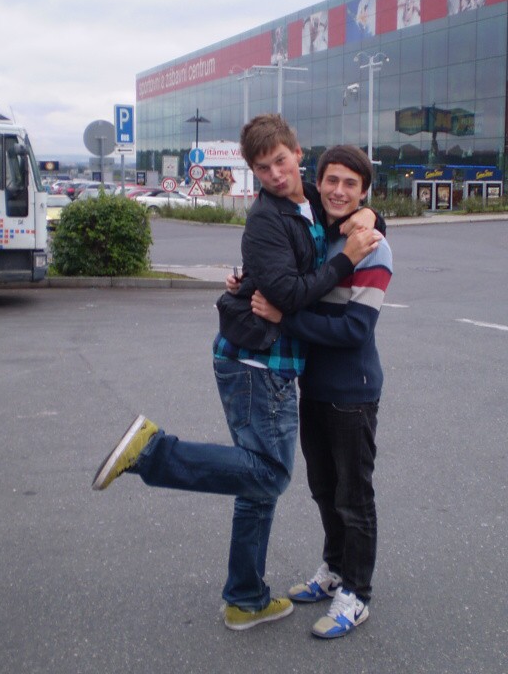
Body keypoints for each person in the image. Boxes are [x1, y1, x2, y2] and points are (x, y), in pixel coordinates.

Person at [91, 115, 383, 632]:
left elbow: (351, 209)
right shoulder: (266, 219)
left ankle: (246, 597)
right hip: (256, 362)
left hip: (275, 361)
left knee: (258, 480)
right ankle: (155, 453)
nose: (275, 174)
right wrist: (343, 262)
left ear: (297, 154)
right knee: (269, 473)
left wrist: (371, 217)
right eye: (263, 168)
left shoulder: (311, 201)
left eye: (281, 161)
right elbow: (287, 294)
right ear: (252, 171)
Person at [249, 145, 392, 639]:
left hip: (353, 391)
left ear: (364, 192)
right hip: (312, 386)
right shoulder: (323, 237)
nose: (338, 191)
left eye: (351, 184)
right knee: (324, 490)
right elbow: (289, 280)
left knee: (355, 497)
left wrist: (285, 318)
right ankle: (333, 569)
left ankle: (357, 593)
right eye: (332, 180)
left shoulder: (372, 248)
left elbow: (355, 329)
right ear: (318, 181)